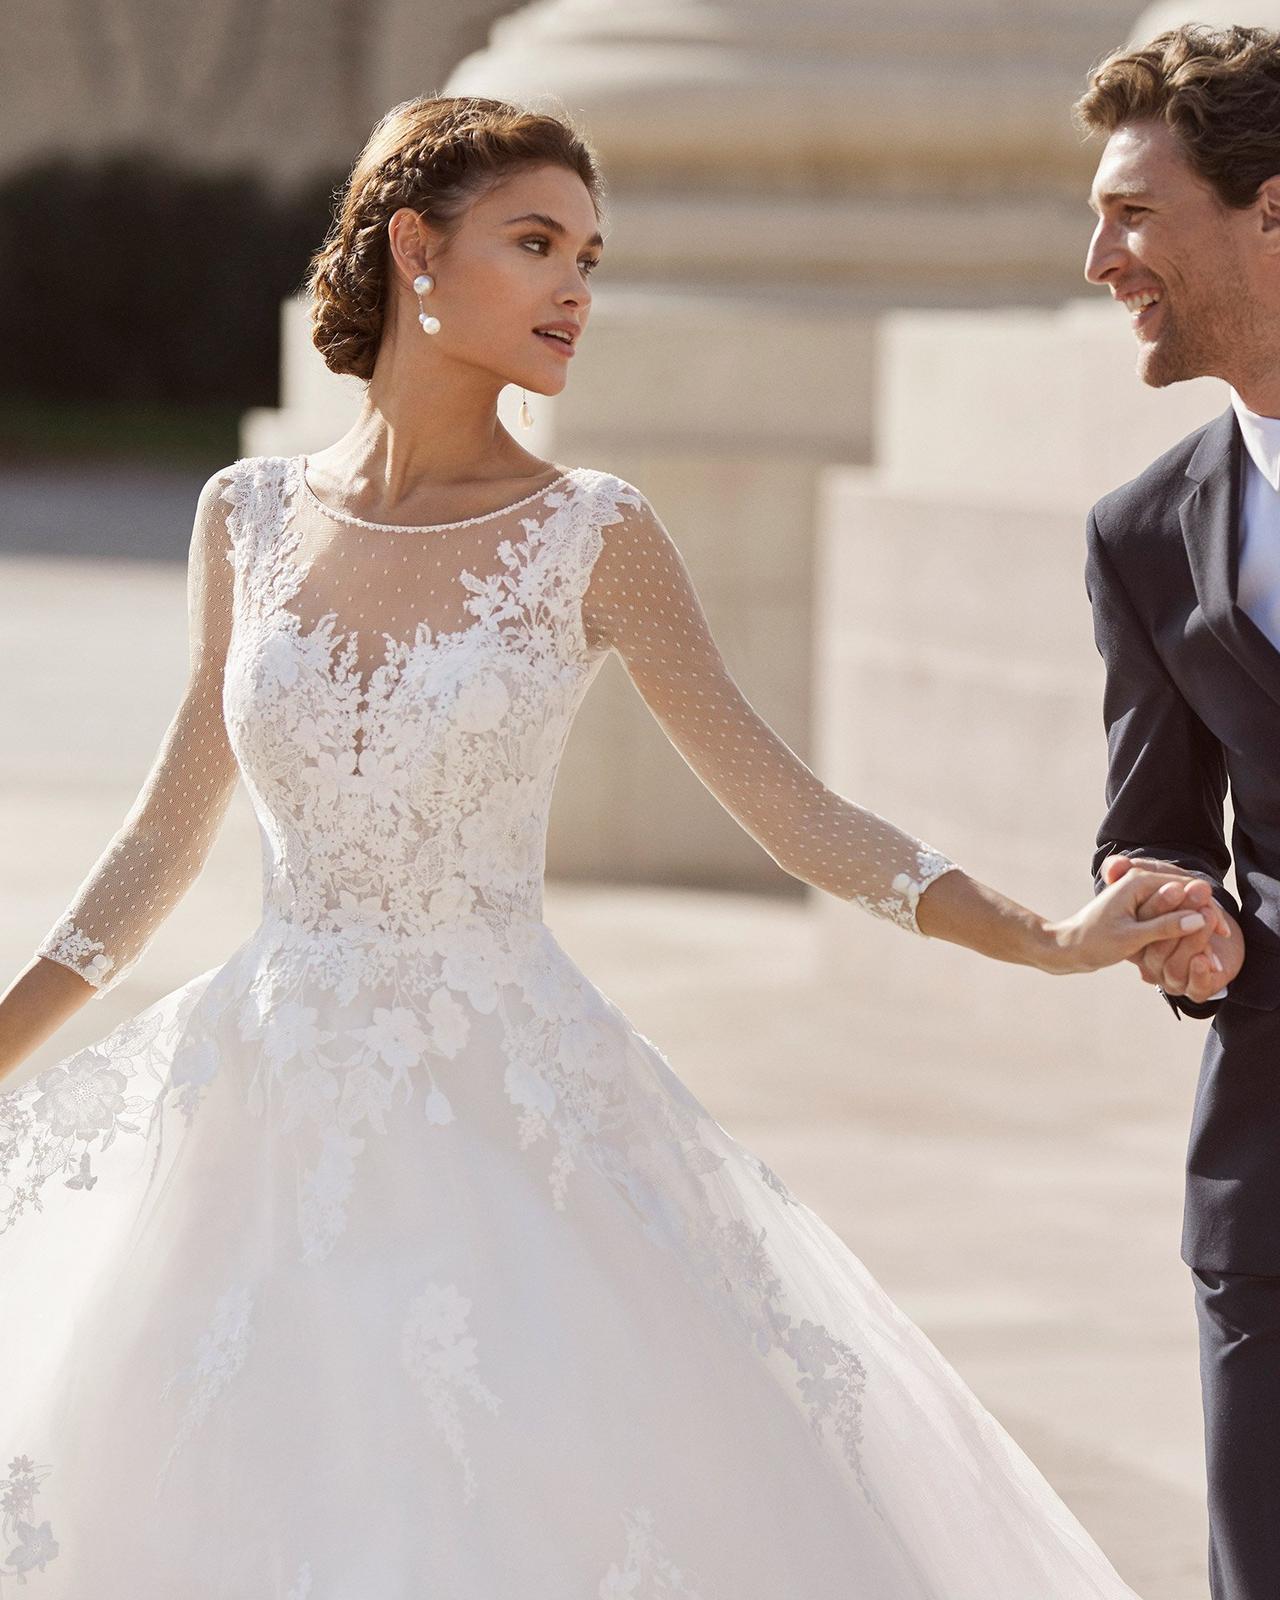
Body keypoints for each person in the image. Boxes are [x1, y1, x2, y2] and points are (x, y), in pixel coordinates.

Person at [0, 95, 1208, 1600]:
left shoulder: (591, 533)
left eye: (591, 253)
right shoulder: (243, 514)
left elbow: (793, 807)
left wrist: (1043, 937)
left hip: (510, 1109)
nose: (579, 286)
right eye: (536, 243)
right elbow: (160, 841)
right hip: (253, 1106)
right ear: (413, 252)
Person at [1076, 23, 1280, 1600]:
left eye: (1135, 213)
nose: (1101, 258)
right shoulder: (1144, 532)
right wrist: (1171, 918)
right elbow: (1151, 827)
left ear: (1271, 211)